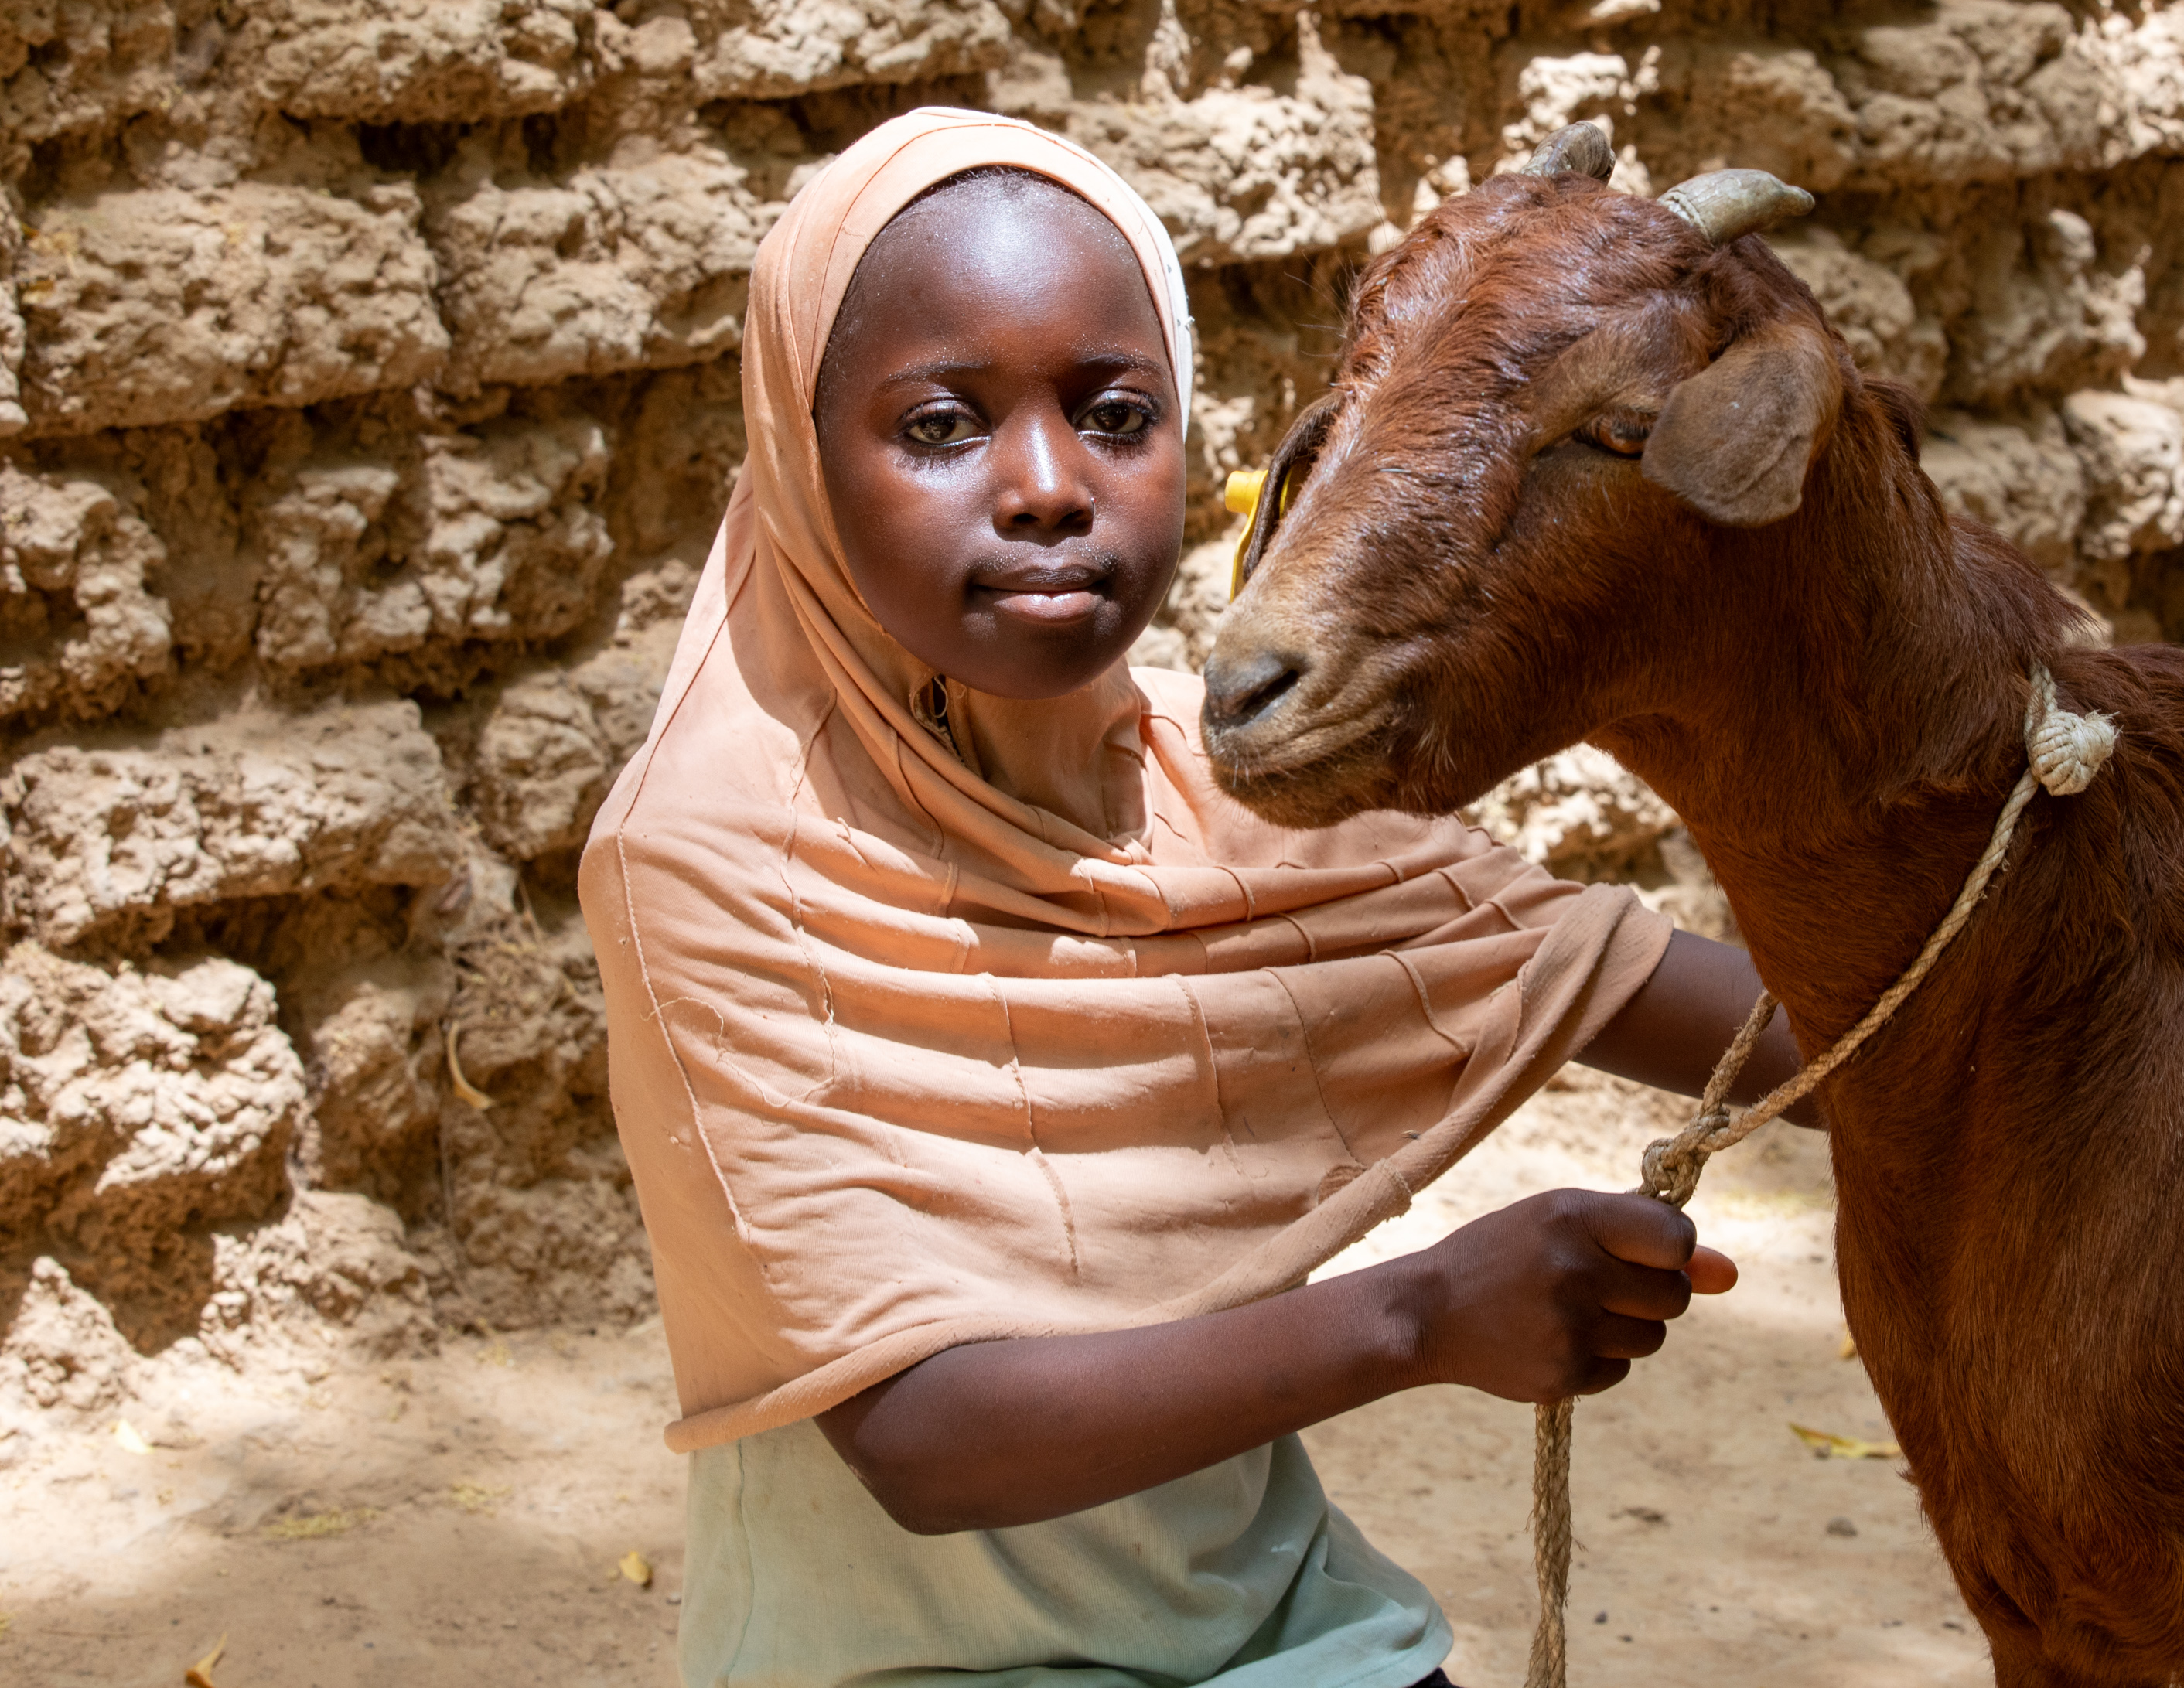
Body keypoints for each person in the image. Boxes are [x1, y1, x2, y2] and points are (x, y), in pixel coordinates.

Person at [582, 108, 1818, 1688]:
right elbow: (924, 1436)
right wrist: (1423, 1314)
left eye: (1113, 411)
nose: (1045, 485)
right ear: (800, 461)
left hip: (1292, 1643)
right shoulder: (711, 858)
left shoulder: (1237, 801)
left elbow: (1815, 1033)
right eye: (941, 425)